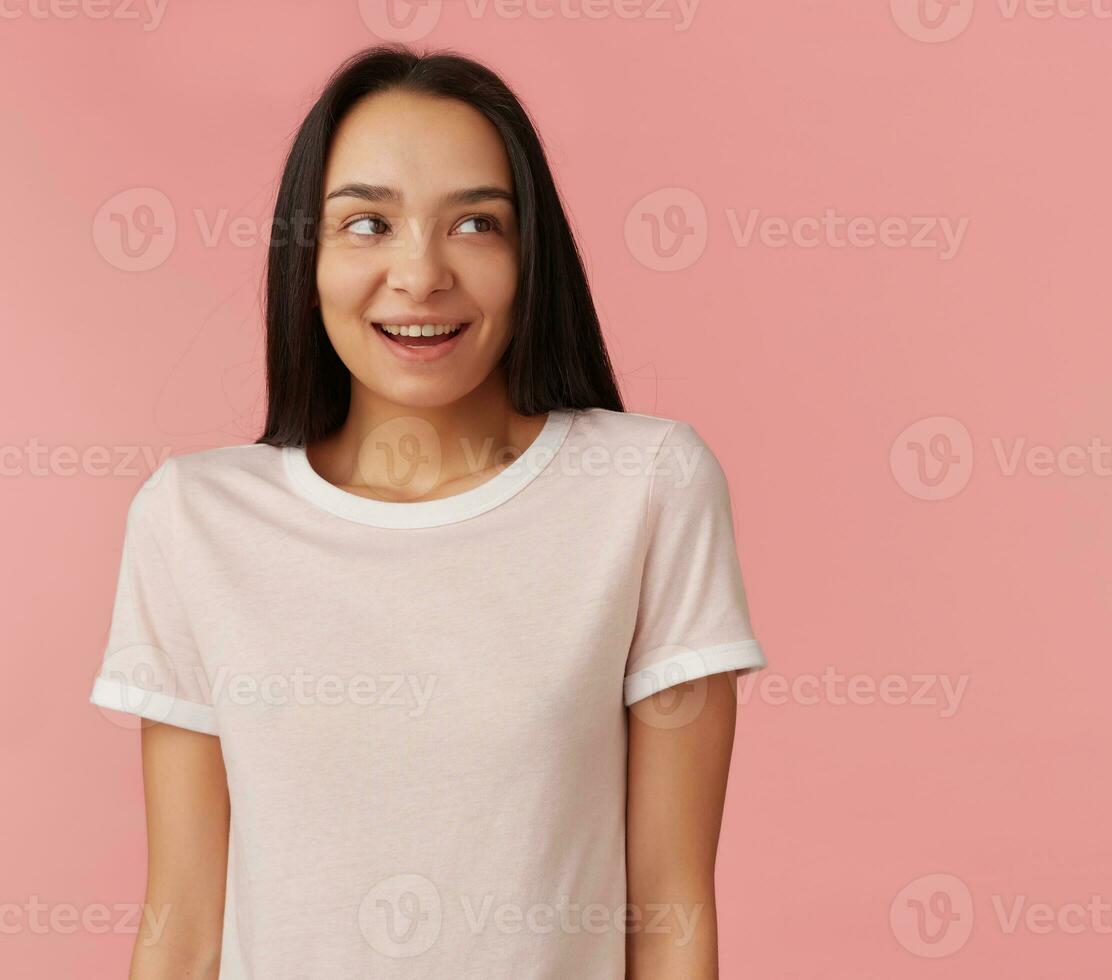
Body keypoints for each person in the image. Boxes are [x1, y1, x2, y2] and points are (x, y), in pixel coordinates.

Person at [87, 43, 767, 979]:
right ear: (306, 254)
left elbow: (672, 904)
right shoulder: (194, 517)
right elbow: (183, 919)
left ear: (532, 255)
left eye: (476, 224)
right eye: (367, 223)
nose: (420, 275)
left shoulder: (645, 487)